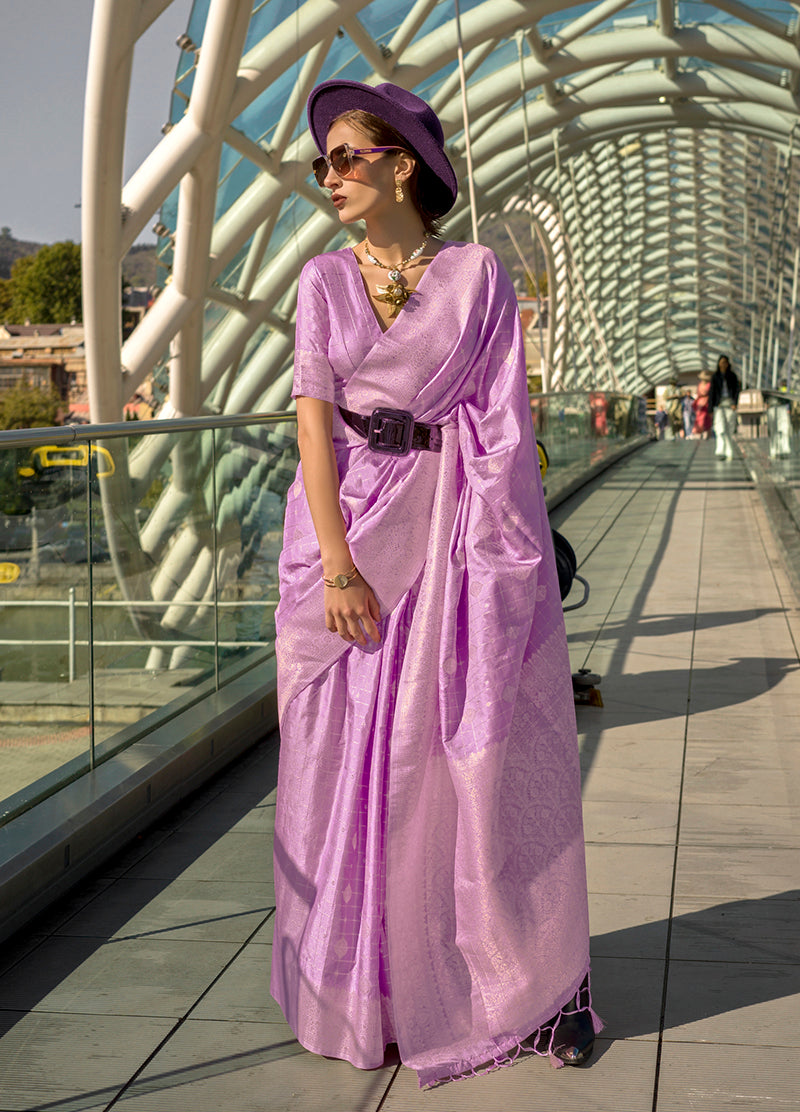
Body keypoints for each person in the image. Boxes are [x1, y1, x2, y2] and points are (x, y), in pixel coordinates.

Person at [271, 80, 601, 1090]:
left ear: (399, 163)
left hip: (454, 532)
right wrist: (336, 563)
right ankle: (361, 989)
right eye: (320, 162)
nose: (327, 176)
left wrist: (496, 568)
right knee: (344, 765)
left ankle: (530, 986)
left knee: (455, 765)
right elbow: (312, 428)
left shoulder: (475, 276)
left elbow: (504, 427)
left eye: (343, 156)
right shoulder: (322, 282)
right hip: (349, 536)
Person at [709, 354, 741, 459]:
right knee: (720, 428)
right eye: (721, 362)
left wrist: (735, 403)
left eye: (725, 362)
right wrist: (711, 407)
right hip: (719, 405)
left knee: (729, 428)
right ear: (718, 363)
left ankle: (729, 452)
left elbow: (736, 391)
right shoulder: (715, 377)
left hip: (729, 404)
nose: (723, 364)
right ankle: (721, 451)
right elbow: (712, 392)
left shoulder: (732, 376)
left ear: (728, 364)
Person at [693, 372, 712, 438]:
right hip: (700, 403)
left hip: (707, 402)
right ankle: (699, 431)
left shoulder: (709, 385)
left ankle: (706, 432)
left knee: (707, 418)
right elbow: (698, 393)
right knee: (699, 417)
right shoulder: (700, 385)